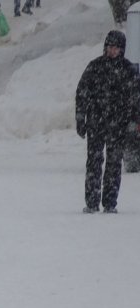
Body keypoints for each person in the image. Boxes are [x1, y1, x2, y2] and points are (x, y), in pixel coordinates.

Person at [75, 30, 140, 214]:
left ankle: (110, 203)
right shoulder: (94, 67)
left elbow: (135, 99)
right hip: (96, 123)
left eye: (115, 48)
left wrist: (133, 122)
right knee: (94, 162)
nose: (111, 51)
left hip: (118, 125)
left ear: (122, 50)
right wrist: (81, 117)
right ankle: (92, 201)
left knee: (114, 164)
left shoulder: (129, 71)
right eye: (109, 47)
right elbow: (82, 93)